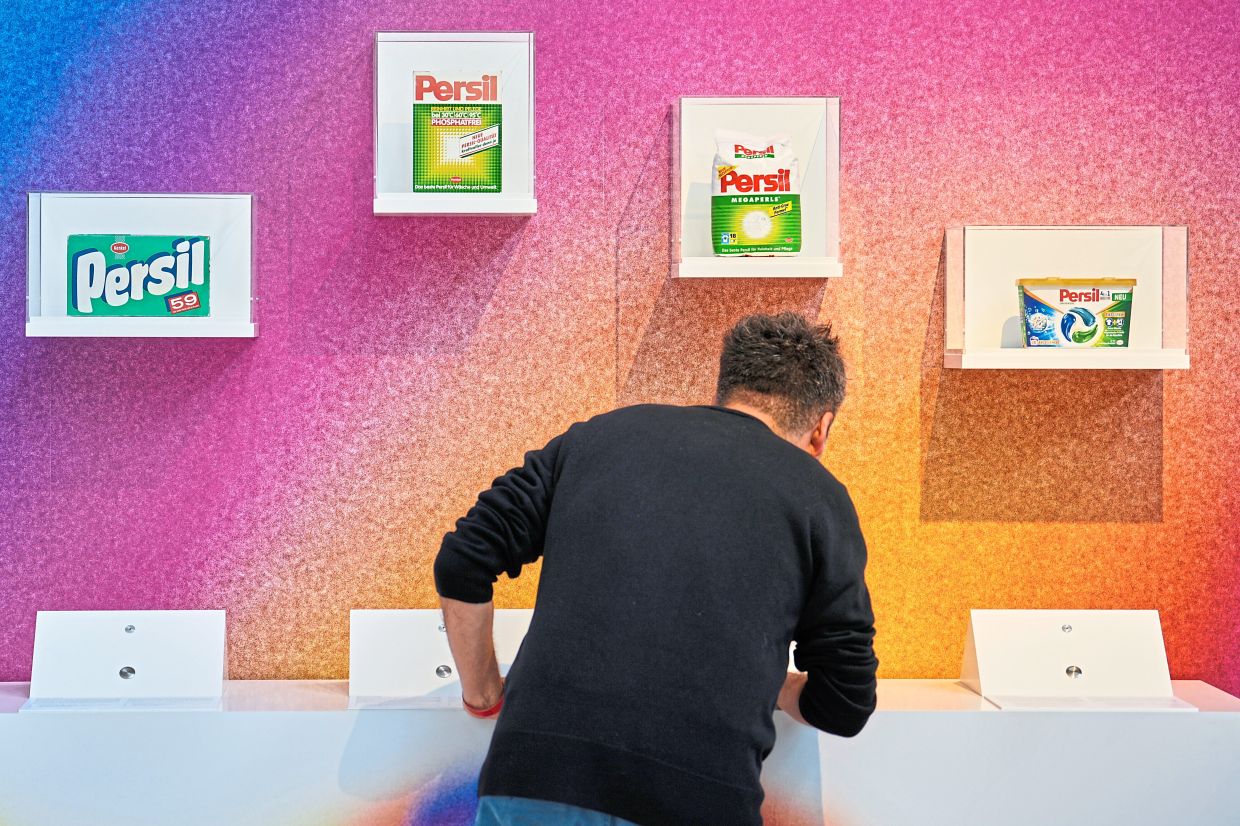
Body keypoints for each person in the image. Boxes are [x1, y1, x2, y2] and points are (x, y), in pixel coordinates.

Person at [433, 312, 879, 826]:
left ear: (727, 388)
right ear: (821, 428)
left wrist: (484, 694)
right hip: (699, 800)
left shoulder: (598, 438)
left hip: (532, 778)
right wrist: (774, 684)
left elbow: (465, 558)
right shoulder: (818, 497)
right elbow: (844, 702)